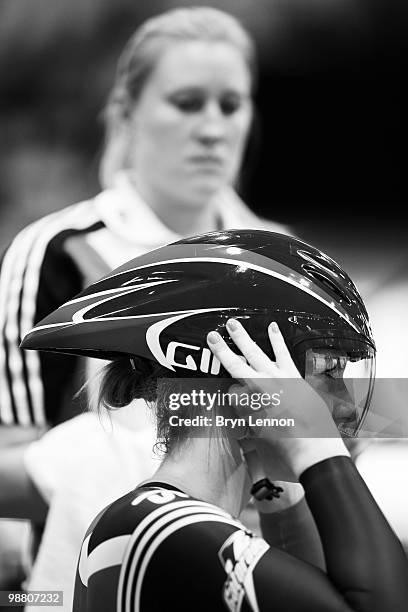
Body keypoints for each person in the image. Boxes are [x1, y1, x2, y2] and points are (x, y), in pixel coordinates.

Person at [0, 6, 288, 605]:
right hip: (91, 580)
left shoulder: (284, 261)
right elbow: (11, 467)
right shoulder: (57, 252)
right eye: (187, 102)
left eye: (230, 105)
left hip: (250, 583)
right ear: (128, 114)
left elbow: (338, 433)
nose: (212, 127)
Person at [22, 230, 408, 611]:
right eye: (329, 369)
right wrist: (315, 446)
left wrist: (277, 491)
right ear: (247, 374)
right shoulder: (162, 527)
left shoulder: (162, 521)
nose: (349, 408)